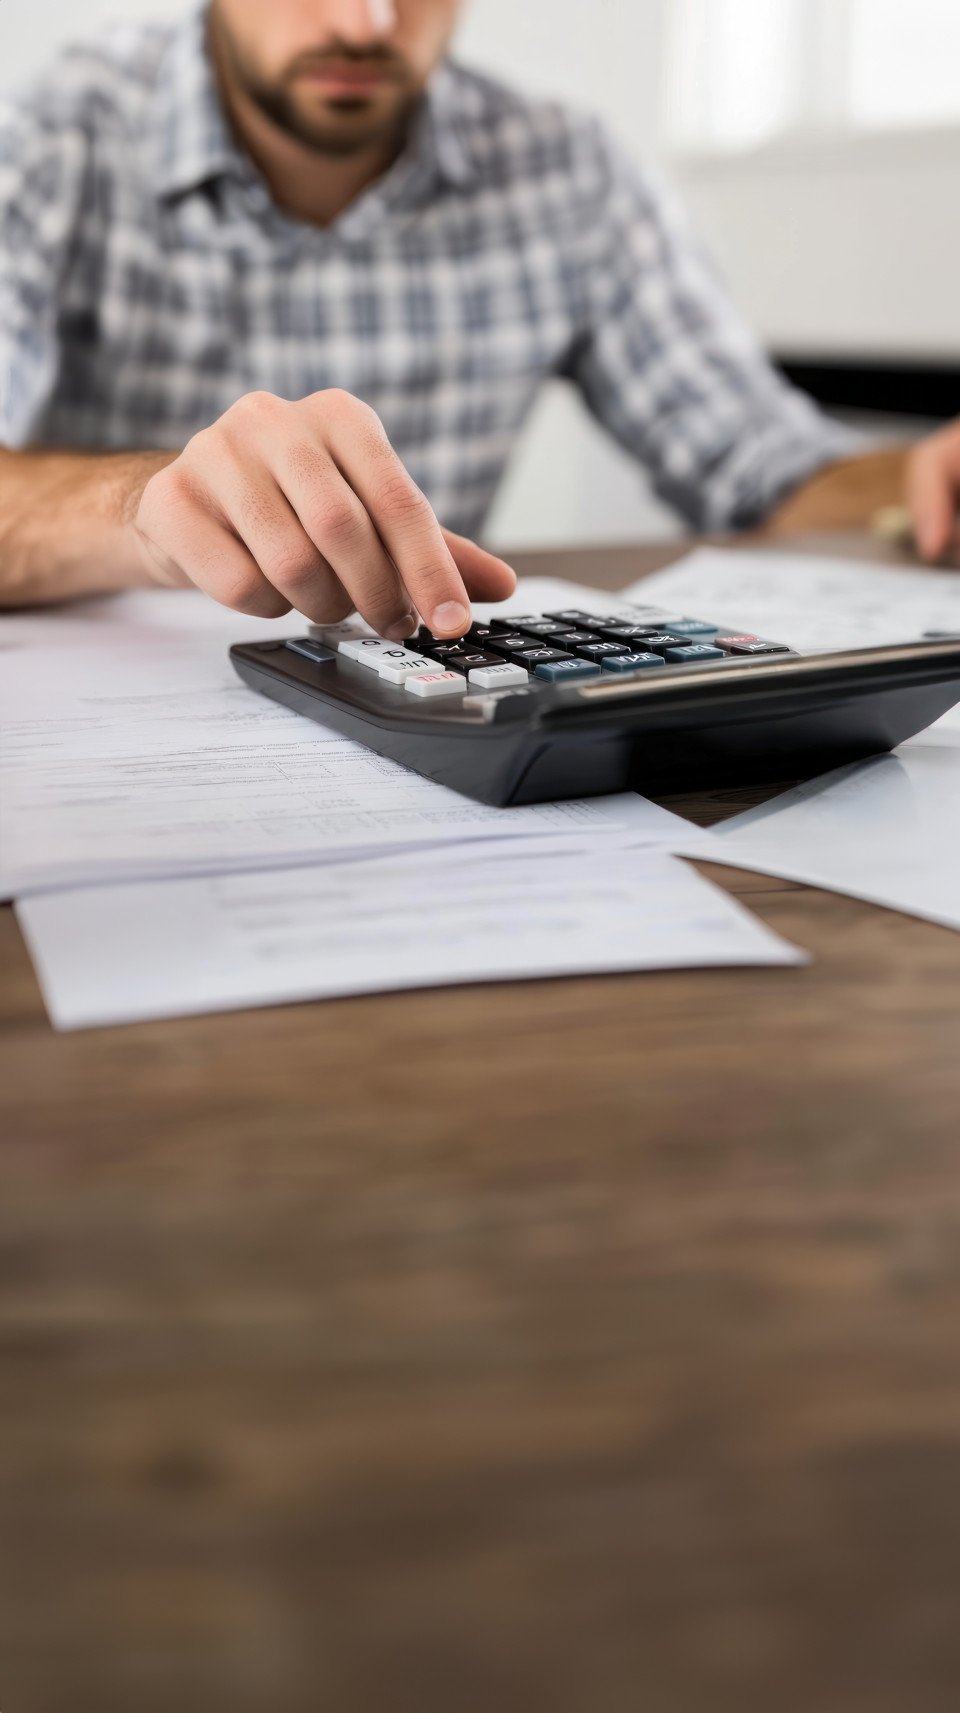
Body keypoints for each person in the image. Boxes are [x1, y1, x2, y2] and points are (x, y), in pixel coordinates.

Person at [0, 0, 956, 640]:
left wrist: (920, 478)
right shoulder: (44, 141)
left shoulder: (566, 168)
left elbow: (762, 467)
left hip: (445, 721)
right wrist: (145, 512)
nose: (362, 21)